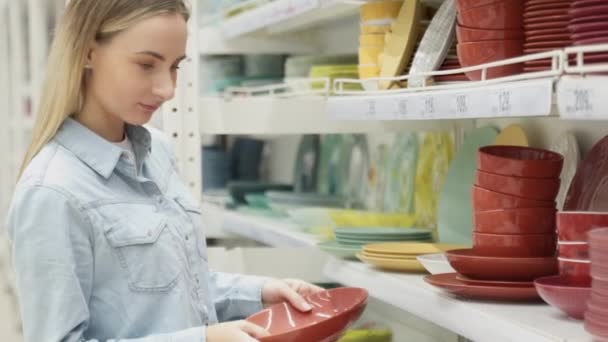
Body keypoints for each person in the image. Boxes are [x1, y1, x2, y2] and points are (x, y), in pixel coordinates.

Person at [6, 1, 323, 341]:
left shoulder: (157, 151)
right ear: (87, 52)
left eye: (175, 67)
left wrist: (261, 292)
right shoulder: (52, 191)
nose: (168, 89)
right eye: (146, 64)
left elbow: (172, 288)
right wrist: (203, 340)